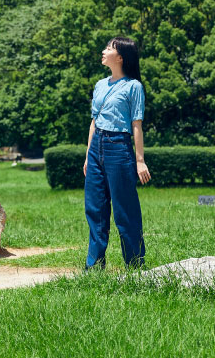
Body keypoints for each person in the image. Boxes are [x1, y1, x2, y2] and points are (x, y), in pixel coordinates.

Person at [83, 36, 150, 269]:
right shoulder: (100, 85)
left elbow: (136, 125)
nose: (103, 51)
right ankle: (94, 268)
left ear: (120, 57)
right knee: (95, 209)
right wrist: (88, 154)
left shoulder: (134, 87)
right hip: (96, 148)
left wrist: (139, 160)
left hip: (119, 149)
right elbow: (94, 121)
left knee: (125, 211)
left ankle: (135, 266)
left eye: (109, 48)